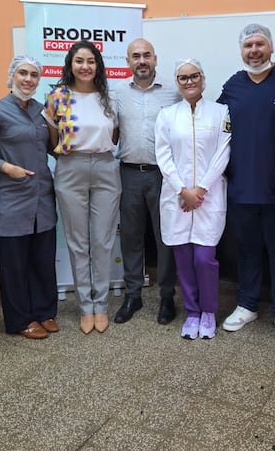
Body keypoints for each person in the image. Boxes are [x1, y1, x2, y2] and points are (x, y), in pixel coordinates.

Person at [218, 24, 275, 346]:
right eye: (248, 45)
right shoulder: (233, 86)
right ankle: (247, 304)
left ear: (271, 47)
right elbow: (216, 131)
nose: (254, 50)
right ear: (241, 50)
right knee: (247, 249)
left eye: (260, 44)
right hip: (241, 186)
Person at [0, 56, 58, 340]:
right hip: (11, 198)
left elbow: (54, 146)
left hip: (42, 198)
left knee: (42, 259)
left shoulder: (42, 111)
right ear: (12, 76)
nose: (28, 79)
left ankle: (45, 311)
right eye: (23, 73)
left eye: (34, 75)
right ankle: (21, 319)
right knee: (14, 264)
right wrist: (6, 167)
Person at [44, 42, 120, 335]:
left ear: (98, 65)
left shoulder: (109, 98)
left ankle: (101, 305)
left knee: (102, 240)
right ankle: (85, 307)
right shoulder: (57, 97)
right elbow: (52, 139)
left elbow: (114, 135)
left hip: (104, 167)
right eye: (79, 61)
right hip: (70, 167)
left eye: (91, 61)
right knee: (78, 242)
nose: (85, 66)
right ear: (70, 64)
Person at [155, 59, 231, 339]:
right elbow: (163, 156)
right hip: (177, 197)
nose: (189, 81)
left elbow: (223, 152)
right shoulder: (167, 115)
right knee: (183, 258)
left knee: (204, 258)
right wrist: (182, 190)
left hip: (208, 198)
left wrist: (200, 189)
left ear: (203, 78)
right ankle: (192, 313)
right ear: (177, 82)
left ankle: (209, 311)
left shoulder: (221, 112)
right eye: (183, 77)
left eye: (194, 76)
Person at [112, 39, 181, 326]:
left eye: (147, 55)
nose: (142, 60)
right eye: (136, 56)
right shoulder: (116, 93)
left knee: (165, 237)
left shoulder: (174, 93)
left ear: (155, 58)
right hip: (127, 173)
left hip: (163, 175)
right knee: (130, 236)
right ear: (128, 62)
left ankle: (167, 296)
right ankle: (133, 294)